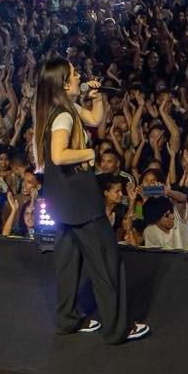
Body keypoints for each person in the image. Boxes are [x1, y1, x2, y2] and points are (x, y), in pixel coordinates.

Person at [34, 56, 148, 343]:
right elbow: (59, 155)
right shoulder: (63, 114)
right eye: (74, 74)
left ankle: (67, 319)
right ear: (63, 82)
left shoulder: (61, 108)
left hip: (62, 199)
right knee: (107, 261)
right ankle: (117, 327)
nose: (79, 76)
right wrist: (90, 154)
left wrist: (96, 99)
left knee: (68, 262)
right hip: (80, 200)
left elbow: (96, 120)